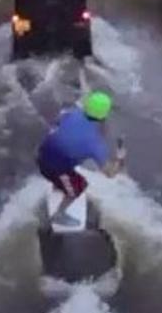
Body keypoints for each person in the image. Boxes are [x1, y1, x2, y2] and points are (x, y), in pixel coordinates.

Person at [37, 91, 126, 230]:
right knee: (79, 187)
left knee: (64, 160)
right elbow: (110, 173)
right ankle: (59, 214)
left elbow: (58, 122)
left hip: (42, 152)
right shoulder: (95, 144)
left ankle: (58, 185)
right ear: (103, 116)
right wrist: (120, 158)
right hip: (52, 168)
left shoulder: (71, 113)